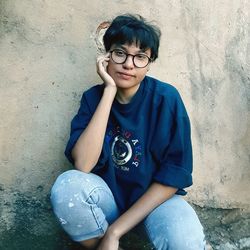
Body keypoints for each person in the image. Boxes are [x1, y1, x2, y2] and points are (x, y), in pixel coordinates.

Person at [50, 14, 206, 250]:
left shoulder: (166, 99)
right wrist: (109, 91)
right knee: (67, 187)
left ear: (150, 62)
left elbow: (174, 175)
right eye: (120, 53)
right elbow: (83, 165)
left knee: (186, 242)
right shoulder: (93, 98)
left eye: (140, 57)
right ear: (106, 56)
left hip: (155, 205)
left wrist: (115, 231)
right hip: (108, 202)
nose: (129, 64)